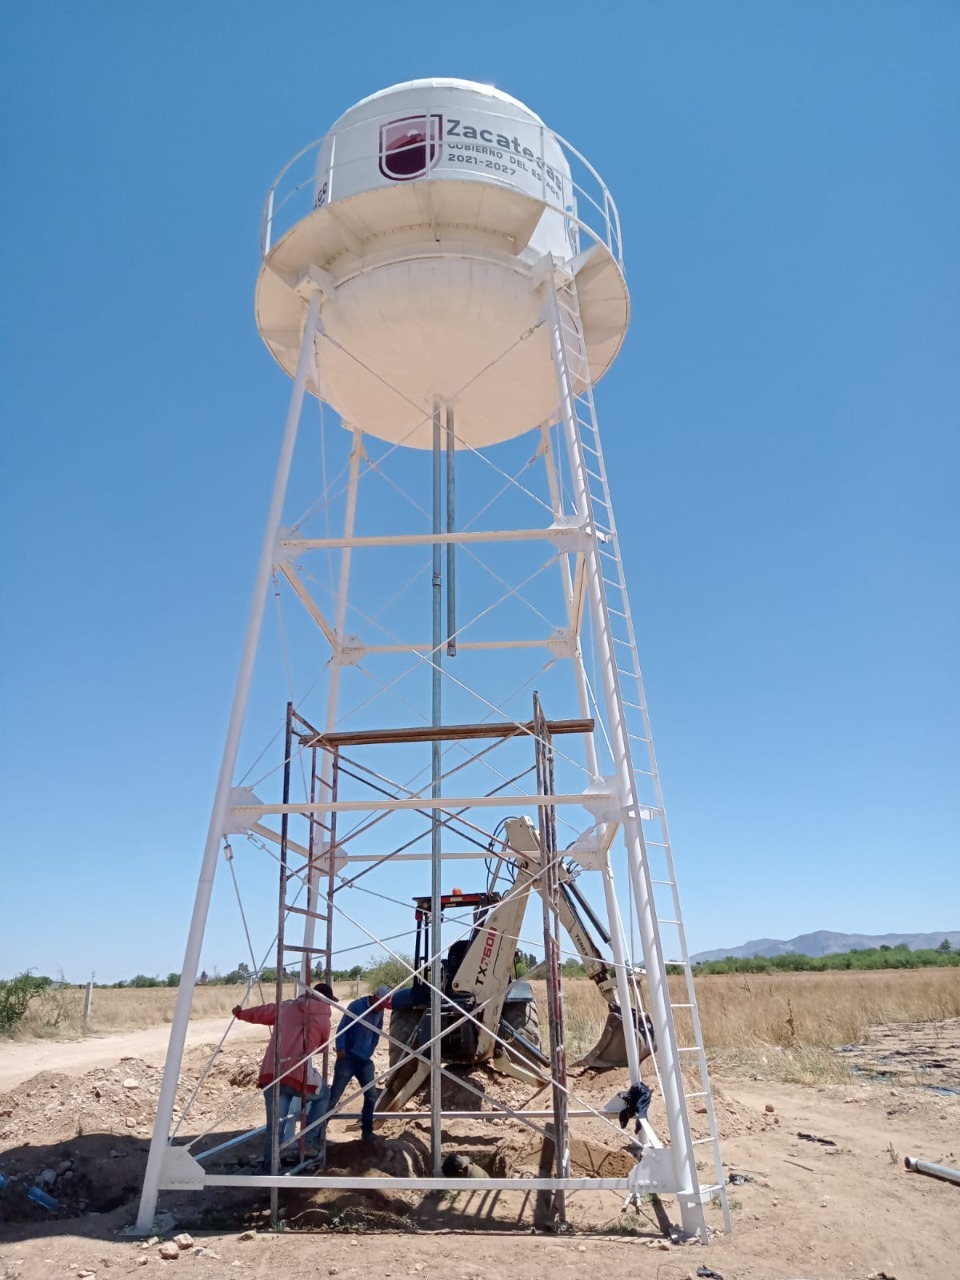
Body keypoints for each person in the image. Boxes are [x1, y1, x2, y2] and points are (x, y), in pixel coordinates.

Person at [233, 982, 333, 1170]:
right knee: (324, 1094)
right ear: (328, 1000)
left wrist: (240, 1014)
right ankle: (308, 1141)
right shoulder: (323, 1016)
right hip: (297, 1075)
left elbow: (262, 1012)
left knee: (275, 1128)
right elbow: (322, 1047)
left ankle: (270, 1171)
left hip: (271, 1073)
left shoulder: (286, 1007)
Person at [324, 985, 392, 1142]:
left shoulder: (379, 1011)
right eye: (382, 1004)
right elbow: (342, 1027)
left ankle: (367, 1132)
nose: (383, 1008)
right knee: (335, 1097)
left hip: (364, 1060)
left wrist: (372, 1048)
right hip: (347, 1058)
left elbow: (377, 1031)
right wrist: (340, 1046)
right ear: (375, 997)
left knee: (371, 1096)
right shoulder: (356, 1006)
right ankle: (318, 1133)